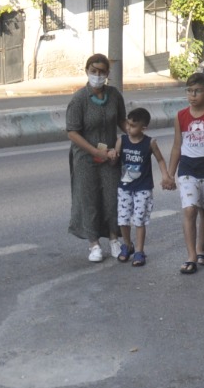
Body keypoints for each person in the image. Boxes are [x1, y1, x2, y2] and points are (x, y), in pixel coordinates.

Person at [164, 71, 204, 274]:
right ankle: (191, 255)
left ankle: (201, 248)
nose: (193, 95)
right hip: (188, 170)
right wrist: (169, 173)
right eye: (190, 91)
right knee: (190, 209)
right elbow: (177, 146)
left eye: (198, 91)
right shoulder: (180, 116)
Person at [65, 53, 126, 261]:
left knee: (112, 198)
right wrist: (94, 151)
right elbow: (72, 132)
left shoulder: (114, 96)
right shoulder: (79, 99)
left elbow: (122, 122)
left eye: (101, 72)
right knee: (89, 199)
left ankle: (114, 239)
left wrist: (135, 134)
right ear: (87, 71)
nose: (97, 75)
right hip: (85, 158)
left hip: (110, 156)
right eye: (94, 71)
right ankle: (93, 245)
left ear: (107, 73)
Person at [114, 106, 172, 267]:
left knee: (139, 220)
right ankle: (127, 245)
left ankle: (139, 250)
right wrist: (112, 155)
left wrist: (165, 175)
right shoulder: (122, 140)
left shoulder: (149, 142)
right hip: (124, 187)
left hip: (143, 188)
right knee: (123, 218)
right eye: (127, 124)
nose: (128, 128)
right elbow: (115, 160)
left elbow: (160, 159)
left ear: (143, 128)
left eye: (133, 126)